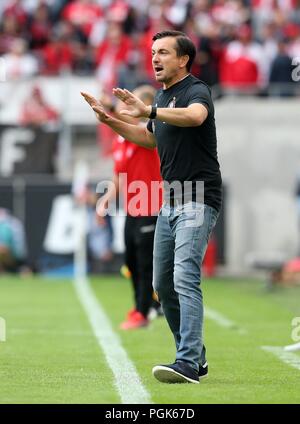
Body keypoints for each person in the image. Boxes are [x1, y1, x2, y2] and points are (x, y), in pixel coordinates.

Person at [81, 29, 222, 384]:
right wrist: (109, 120)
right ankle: (196, 357)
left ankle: (187, 360)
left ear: (183, 59)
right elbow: (149, 138)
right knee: (162, 282)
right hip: (169, 200)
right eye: (153, 51)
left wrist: (151, 110)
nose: (154, 58)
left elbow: (195, 117)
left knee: (185, 277)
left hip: (197, 195)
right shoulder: (162, 96)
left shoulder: (195, 90)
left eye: (163, 52)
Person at [96, 85, 163, 330]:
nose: (126, 106)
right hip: (132, 209)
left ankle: (142, 312)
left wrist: (112, 111)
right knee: (132, 262)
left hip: (151, 206)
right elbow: (119, 176)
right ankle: (144, 306)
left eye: (131, 102)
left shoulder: (150, 132)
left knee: (146, 264)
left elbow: (143, 124)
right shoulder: (121, 140)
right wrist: (106, 200)